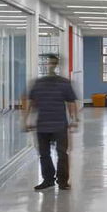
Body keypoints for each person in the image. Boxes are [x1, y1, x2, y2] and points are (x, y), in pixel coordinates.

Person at [23, 53, 79, 191]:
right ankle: (48, 180)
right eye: (48, 63)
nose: (50, 66)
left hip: (59, 125)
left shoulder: (64, 83)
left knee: (62, 154)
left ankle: (63, 181)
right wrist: (25, 120)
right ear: (45, 65)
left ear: (57, 65)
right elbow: (31, 103)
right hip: (42, 126)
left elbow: (71, 102)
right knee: (44, 154)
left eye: (53, 63)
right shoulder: (38, 83)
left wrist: (74, 119)